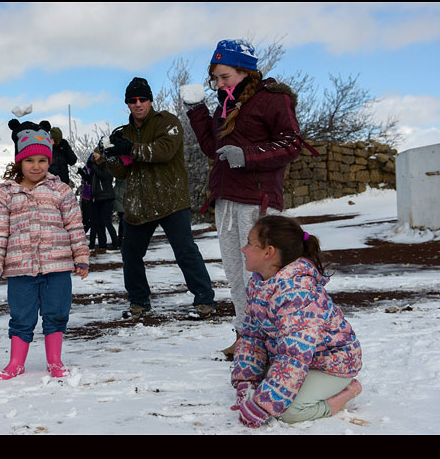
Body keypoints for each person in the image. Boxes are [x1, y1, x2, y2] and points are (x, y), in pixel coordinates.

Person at [182, 39, 319, 357]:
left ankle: (271, 340)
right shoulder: (225, 105)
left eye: (224, 76)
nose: (219, 83)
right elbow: (210, 149)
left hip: (258, 202)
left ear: (245, 71)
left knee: (260, 274)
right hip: (226, 200)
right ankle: (247, 338)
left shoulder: (273, 100)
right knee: (235, 273)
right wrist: (197, 111)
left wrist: (247, 155)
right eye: (215, 78)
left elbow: (291, 144)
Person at [230, 214, 362, 428]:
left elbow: (294, 355)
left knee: (287, 412)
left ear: (268, 252)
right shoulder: (259, 285)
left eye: (249, 243)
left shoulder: (297, 295)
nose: (243, 249)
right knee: (265, 391)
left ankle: (347, 391)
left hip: (331, 363)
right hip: (302, 361)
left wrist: (264, 407)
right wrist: (247, 381)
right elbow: (252, 336)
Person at [0, 118, 89, 380]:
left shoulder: (61, 191)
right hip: (20, 268)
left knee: (56, 314)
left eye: (42, 160)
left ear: (50, 161)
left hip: (57, 266)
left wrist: (82, 257)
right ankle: (15, 363)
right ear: (19, 160)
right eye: (30, 160)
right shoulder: (4, 195)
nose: (36, 166)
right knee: (21, 316)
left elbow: (75, 226)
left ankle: (55, 361)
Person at [104, 77, 216, 319]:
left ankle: (205, 300)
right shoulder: (122, 133)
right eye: (132, 100)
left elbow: (164, 152)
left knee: (185, 250)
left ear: (150, 100)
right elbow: (121, 172)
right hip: (139, 204)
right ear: (127, 104)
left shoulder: (168, 122)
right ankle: (139, 302)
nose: (138, 104)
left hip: (171, 199)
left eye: (142, 99)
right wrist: (110, 155)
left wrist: (130, 149)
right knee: (130, 254)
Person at [87, 149, 118, 251]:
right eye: (94, 153)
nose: (94, 154)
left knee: (107, 222)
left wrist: (93, 167)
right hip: (98, 198)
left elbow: (104, 176)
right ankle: (102, 244)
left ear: (101, 155)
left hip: (106, 197)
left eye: (96, 153)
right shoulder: (95, 166)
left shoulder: (106, 165)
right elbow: (92, 181)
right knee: (99, 223)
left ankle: (115, 244)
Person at [113, 177, 127, 247]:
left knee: (122, 222)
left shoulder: (121, 177)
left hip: (121, 200)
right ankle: (122, 240)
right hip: (122, 200)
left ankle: (122, 240)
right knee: (123, 222)